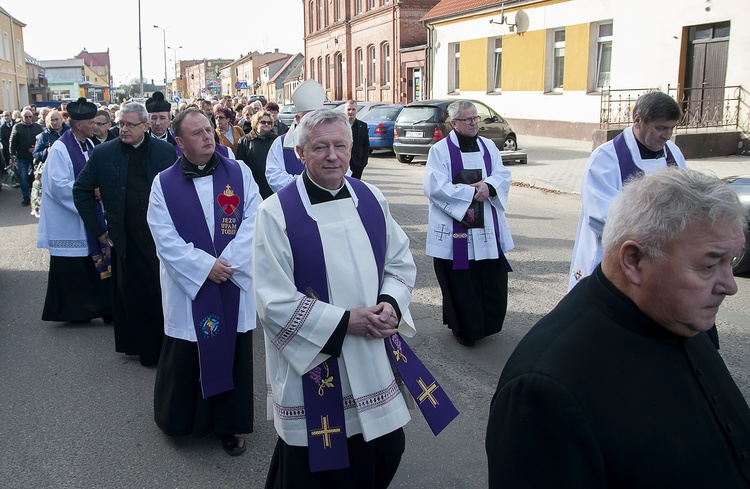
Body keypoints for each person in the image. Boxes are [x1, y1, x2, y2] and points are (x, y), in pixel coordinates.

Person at [486, 168, 750, 488]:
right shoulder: (544, 390)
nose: (729, 286)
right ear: (635, 261)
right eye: (709, 265)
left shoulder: (686, 318)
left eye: (731, 261)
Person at [255, 109, 456, 488]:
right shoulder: (275, 213)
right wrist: (346, 322)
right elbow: (272, 301)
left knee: (384, 450)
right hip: (317, 360)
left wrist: (391, 304)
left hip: (372, 354)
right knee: (320, 466)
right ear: (300, 153)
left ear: (351, 149)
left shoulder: (370, 197)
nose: (332, 155)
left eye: (340, 146)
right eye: (320, 147)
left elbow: (399, 261)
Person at [147, 108, 262, 456]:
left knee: (232, 354)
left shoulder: (239, 172)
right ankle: (181, 422)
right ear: (179, 142)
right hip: (190, 289)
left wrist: (226, 265)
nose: (208, 137)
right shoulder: (163, 183)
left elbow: (256, 219)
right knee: (188, 353)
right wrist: (203, 267)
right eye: (197, 133)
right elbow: (163, 237)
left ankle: (227, 426)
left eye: (209, 130)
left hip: (232, 281)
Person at [73, 102, 177, 366]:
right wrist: (98, 231)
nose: (124, 129)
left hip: (160, 234)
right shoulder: (104, 154)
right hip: (126, 235)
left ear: (146, 126)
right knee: (137, 295)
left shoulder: (165, 151)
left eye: (130, 124)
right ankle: (146, 351)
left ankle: (169, 347)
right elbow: (81, 190)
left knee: (161, 291)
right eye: (121, 124)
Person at [568, 91, 687, 291]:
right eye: (660, 128)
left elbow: (685, 199)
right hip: (617, 257)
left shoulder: (673, 154)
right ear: (637, 120)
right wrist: (652, 238)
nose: (666, 135)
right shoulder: (606, 158)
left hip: (661, 256)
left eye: (671, 128)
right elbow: (602, 216)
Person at [423, 100, 514, 347]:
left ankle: (489, 324)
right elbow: (434, 186)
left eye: (476, 118)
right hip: (457, 229)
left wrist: (490, 186)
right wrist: (471, 194)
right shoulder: (440, 151)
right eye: (468, 119)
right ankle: (465, 328)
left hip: (485, 227)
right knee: (463, 281)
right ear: (454, 123)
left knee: (489, 277)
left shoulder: (488, 146)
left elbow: (502, 173)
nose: (474, 123)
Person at [37, 97, 113, 323]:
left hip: (88, 216)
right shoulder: (60, 148)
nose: (96, 127)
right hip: (69, 221)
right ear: (79, 125)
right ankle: (76, 311)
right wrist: (90, 192)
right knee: (76, 266)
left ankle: (100, 307)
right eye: (92, 122)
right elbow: (58, 186)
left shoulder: (89, 144)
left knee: (92, 263)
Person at [265, 80, 326, 193]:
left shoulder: (330, 141)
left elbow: (344, 172)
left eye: (316, 116)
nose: (313, 121)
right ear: (298, 119)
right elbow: (273, 175)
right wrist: (306, 184)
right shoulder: (281, 143)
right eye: (308, 117)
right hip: (293, 199)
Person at [236, 110, 276, 199]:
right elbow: (240, 164)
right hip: (253, 184)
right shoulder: (245, 141)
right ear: (256, 123)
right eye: (263, 122)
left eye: (269, 122)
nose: (266, 124)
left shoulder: (275, 140)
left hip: (271, 185)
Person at [9, 109, 43, 205]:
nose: (28, 119)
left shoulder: (37, 127)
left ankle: (38, 197)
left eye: (30, 117)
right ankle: (26, 198)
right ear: (21, 117)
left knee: (36, 177)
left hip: (35, 157)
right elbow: (12, 142)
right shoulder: (17, 127)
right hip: (22, 156)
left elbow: (42, 141)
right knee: (23, 177)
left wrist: (36, 148)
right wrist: (12, 155)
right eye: (26, 117)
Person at [344, 100, 369, 179]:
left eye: (353, 109)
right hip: (342, 162)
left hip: (357, 164)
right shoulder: (340, 125)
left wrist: (363, 162)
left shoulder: (363, 126)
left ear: (357, 110)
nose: (351, 112)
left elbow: (366, 146)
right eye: (349, 109)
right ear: (344, 110)